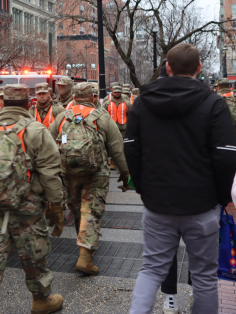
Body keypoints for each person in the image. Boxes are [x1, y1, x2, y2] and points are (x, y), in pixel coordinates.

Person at [126, 43, 236, 314]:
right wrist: (223, 198)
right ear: (199, 69)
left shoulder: (142, 103)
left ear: (168, 68)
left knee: (151, 270)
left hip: (158, 203)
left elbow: (131, 147)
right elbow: (225, 155)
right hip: (202, 205)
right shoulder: (214, 103)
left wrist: (143, 188)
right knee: (205, 278)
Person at [0, 84, 64, 314]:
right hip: (26, 207)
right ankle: (41, 300)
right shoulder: (36, 130)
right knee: (33, 254)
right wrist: (57, 207)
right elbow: (50, 174)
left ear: (1, 104)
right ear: (28, 104)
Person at [49, 83, 130, 276]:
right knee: (91, 209)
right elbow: (117, 149)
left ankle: (84, 245)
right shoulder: (101, 118)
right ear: (93, 98)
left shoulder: (63, 116)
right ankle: (85, 257)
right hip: (96, 174)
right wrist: (125, 175)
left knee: (77, 208)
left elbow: (49, 140)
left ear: (74, 97)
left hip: (69, 172)